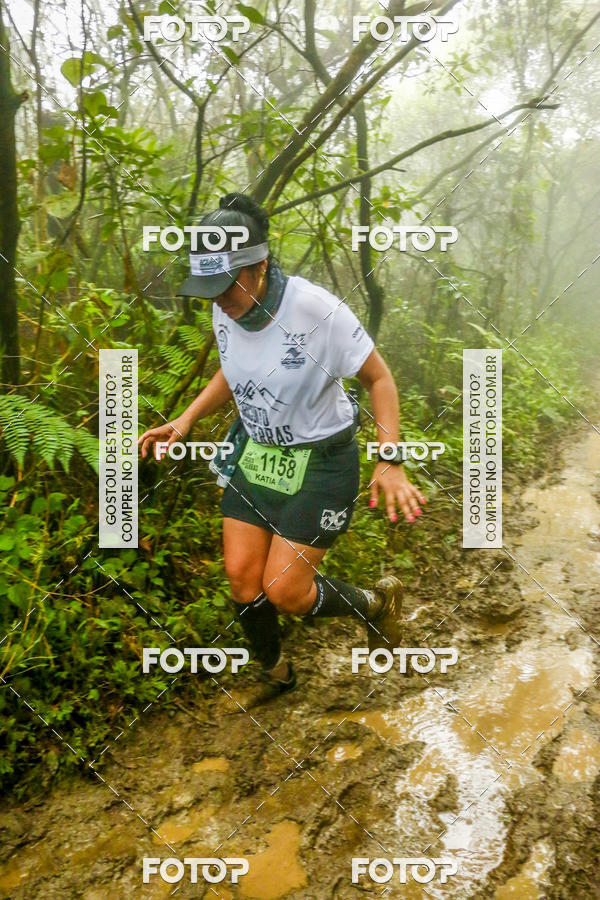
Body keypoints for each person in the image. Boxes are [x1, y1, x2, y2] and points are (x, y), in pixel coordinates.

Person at [138, 193, 426, 699]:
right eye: (209, 291)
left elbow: (380, 379)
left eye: (225, 287)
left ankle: (375, 604)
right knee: (242, 579)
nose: (218, 301)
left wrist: (390, 458)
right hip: (256, 451)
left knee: (286, 591)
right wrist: (185, 420)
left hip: (320, 460)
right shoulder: (226, 307)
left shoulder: (315, 310)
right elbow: (235, 368)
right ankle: (277, 674)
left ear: (259, 267)